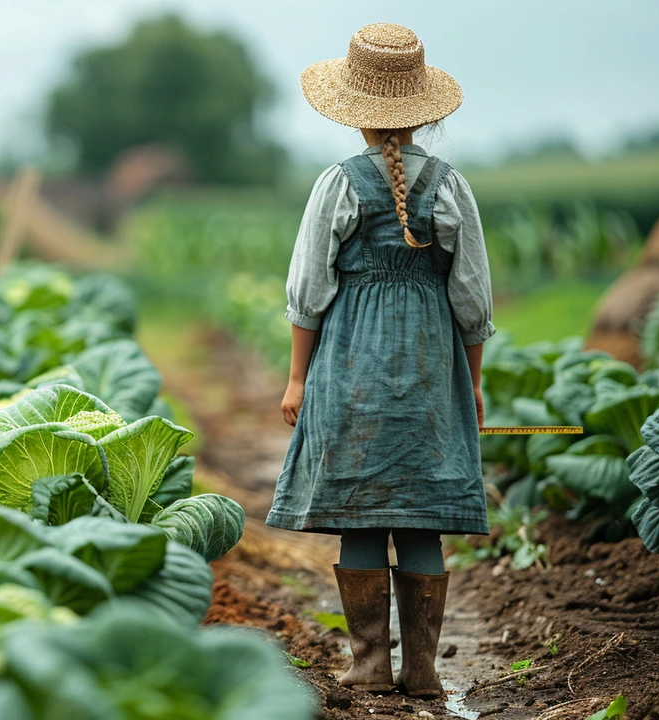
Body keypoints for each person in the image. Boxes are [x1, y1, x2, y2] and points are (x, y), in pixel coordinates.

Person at [264, 23, 494, 699]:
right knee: (421, 511)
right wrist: (471, 385)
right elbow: (473, 300)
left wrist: (297, 377)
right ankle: (423, 670)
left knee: (361, 511)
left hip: (349, 365)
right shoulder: (451, 188)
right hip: (431, 367)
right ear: (423, 111)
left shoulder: (337, 185)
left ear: (356, 114)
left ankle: (370, 665)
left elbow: (308, 292)